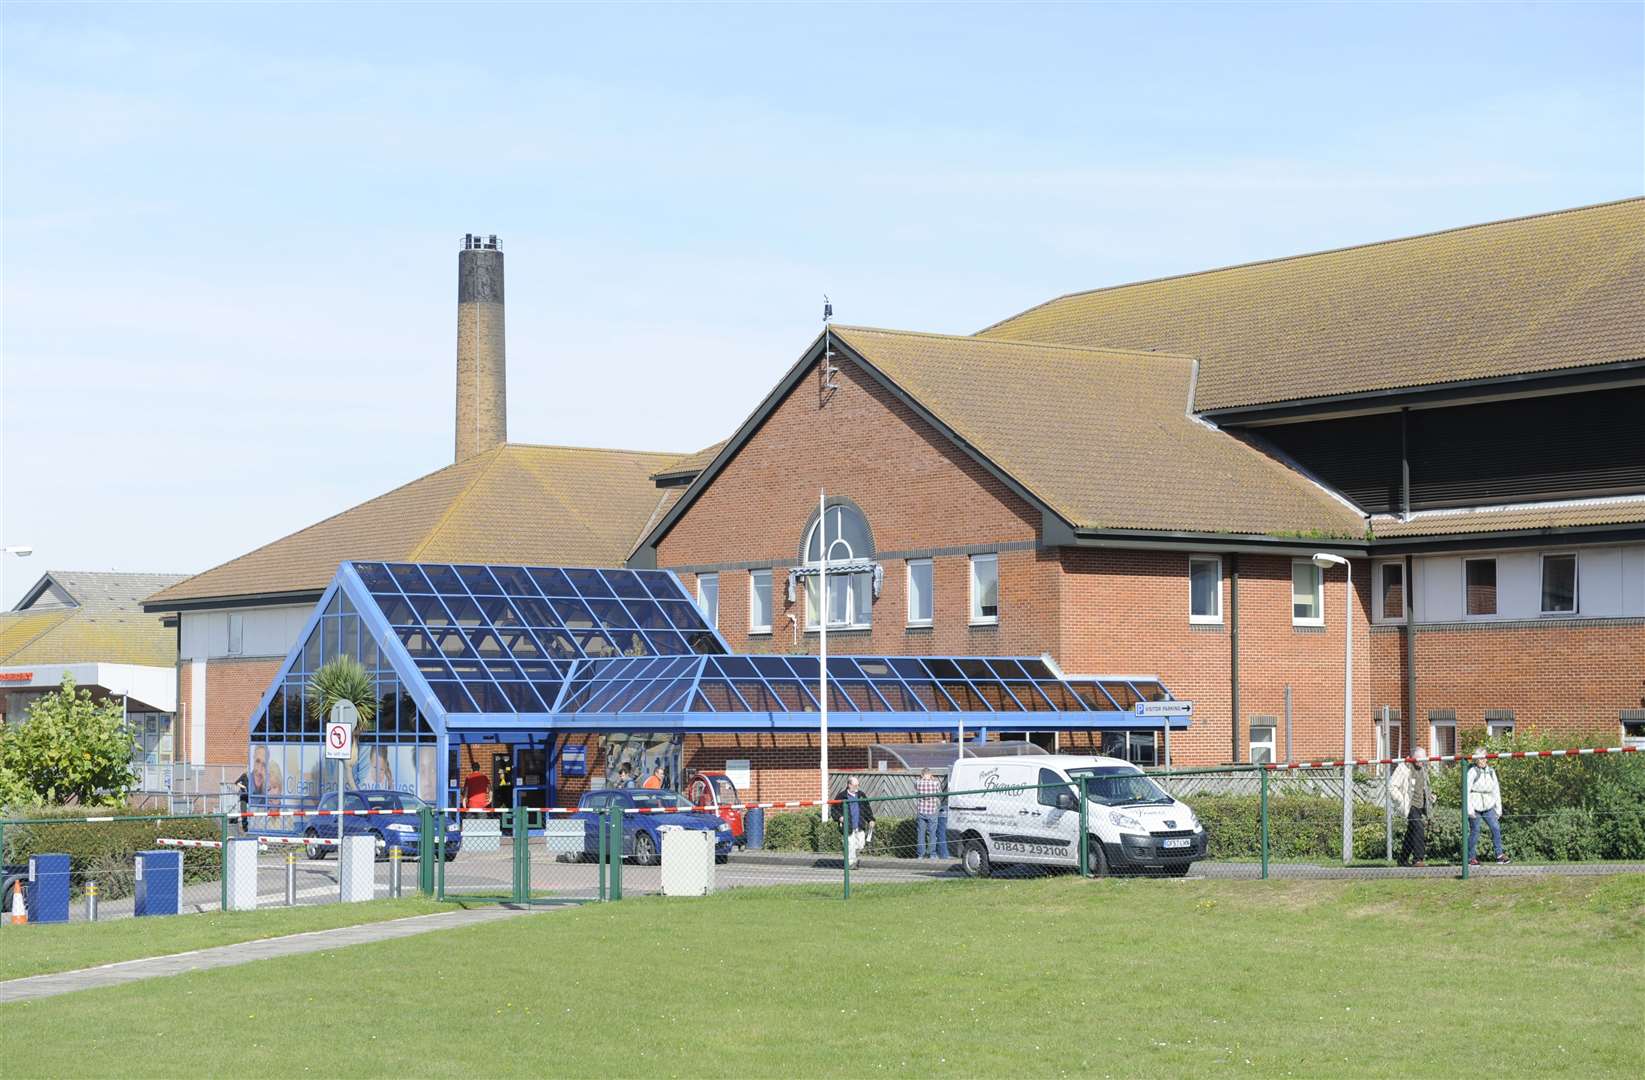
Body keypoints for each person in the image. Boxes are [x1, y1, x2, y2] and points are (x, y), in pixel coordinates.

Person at [1466, 747, 1509, 865]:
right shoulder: (1472, 772)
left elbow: (1496, 790)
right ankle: (1471, 858)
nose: (1482, 760)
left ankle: (1499, 855)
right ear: (1475, 760)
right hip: (1475, 806)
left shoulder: (1491, 771)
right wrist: (1470, 810)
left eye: (1483, 758)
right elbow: (1466, 791)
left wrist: (1498, 808)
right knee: (1475, 831)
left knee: (1496, 828)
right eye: (1479, 758)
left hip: (1489, 805)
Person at [1391, 747, 1433, 867]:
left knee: (1411, 832)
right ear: (1413, 758)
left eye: (1423, 759)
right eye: (1419, 759)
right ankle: (1418, 859)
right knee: (1419, 827)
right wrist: (1401, 800)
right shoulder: (1403, 769)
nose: (1422, 762)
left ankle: (1402, 859)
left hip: (1420, 805)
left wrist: (1429, 797)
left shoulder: (1424, 770)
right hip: (1410, 805)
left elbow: (1424, 787)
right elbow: (1391, 787)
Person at [830, 776, 876, 868]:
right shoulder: (841, 796)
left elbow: (867, 808)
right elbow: (834, 809)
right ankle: (850, 864)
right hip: (847, 826)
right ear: (849, 785)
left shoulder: (861, 795)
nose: (857, 787)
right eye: (855, 785)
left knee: (860, 845)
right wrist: (839, 817)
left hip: (859, 825)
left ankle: (853, 858)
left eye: (858, 785)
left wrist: (871, 819)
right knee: (850, 844)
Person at [914, 769, 941, 859]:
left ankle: (920, 854)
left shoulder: (918, 782)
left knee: (921, 833)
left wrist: (921, 779)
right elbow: (939, 793)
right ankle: (932, 854)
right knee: (932, 833)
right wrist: (932, 779)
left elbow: (916, 787)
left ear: (922, 774)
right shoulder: (935, 783)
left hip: (921, 810)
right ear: (930, 774)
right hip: (932, 810)